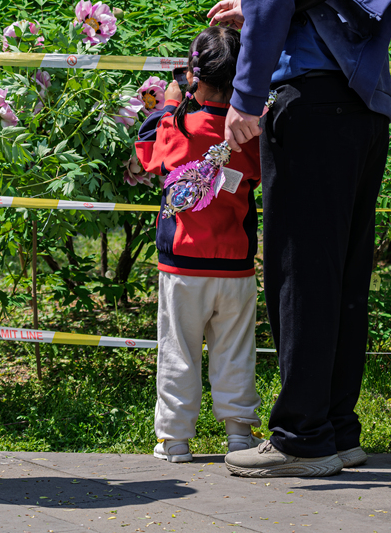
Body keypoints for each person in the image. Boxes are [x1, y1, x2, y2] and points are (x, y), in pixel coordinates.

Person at [196, 0, 391, 479]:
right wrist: (252, 7)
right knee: (342, 274)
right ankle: (338, 427)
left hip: (309, 97)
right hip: (361, 99)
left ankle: (300, 436)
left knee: (298, 271)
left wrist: (245, 99)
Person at [135, 26, 262, 465]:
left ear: (194, 74)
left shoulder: (177, 122)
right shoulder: (249, 129)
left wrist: (171, 98)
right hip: (236, 264)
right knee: (236, 351)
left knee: (178, 350)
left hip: (182, 264)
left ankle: (175, 440)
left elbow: (147, 151)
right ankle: (239, 437)